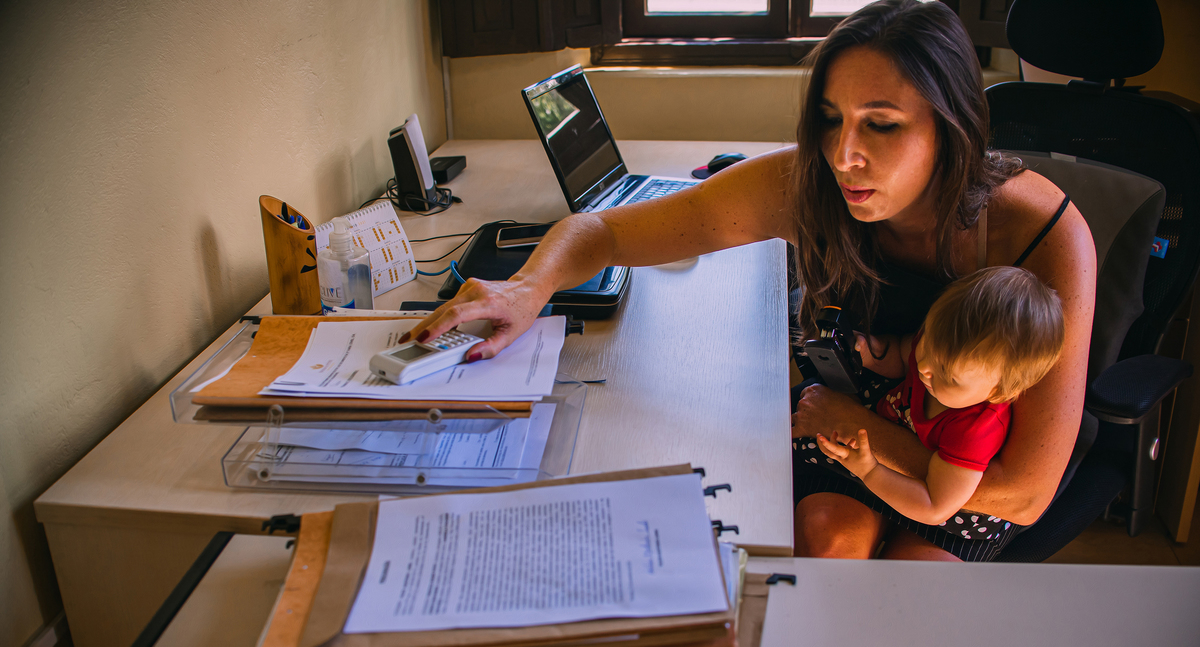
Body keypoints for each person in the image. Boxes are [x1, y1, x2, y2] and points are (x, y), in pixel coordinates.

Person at [404, 0, 1096, 561]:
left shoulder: (1044, 236)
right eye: (830, 121)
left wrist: (853, 425)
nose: (843, 155)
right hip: (843, 428)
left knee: (911, 599)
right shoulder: (811, 182)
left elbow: (1025, 494)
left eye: (880, 126)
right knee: (829, 539)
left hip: (960, 477)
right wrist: (527, 289)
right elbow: (607, 229)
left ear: (951, 128)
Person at [812, 266, 1065, 545]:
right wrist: (870, 353)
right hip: (903, 457)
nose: (925, 368)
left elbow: (934, 505)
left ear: (998, 392)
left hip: (947, 510)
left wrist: (871, 472)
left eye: (947, 374)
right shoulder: (939, 351)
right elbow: (900, 353)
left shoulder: (974, 431)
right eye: (927, 344)